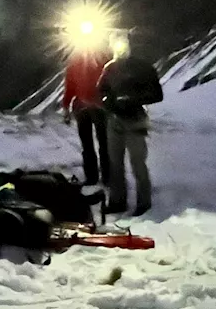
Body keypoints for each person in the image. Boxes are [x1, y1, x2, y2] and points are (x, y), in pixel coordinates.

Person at [97, 33, 163, 216]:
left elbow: (157, 94)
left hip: (135, 120)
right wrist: (109, 102)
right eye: (116, 44)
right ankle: (118, 201)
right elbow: (101, 91)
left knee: (137, 162)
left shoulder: (142, 67)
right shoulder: (109, 68)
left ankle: (144, 202)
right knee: (115, 164)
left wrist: (132, 100)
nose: (119, 47)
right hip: (115, 120)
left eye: (122, 43)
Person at [61, 45, 112, 186]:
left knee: (99, 143)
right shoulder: (98, 61)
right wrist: (66, 107)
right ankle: (100, 177)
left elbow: (69, 88)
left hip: (91, 107)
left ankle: (99, 177)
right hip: (90, 107)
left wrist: (66, 107)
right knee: (96, 144)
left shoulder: (99, 61)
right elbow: (69, 87)